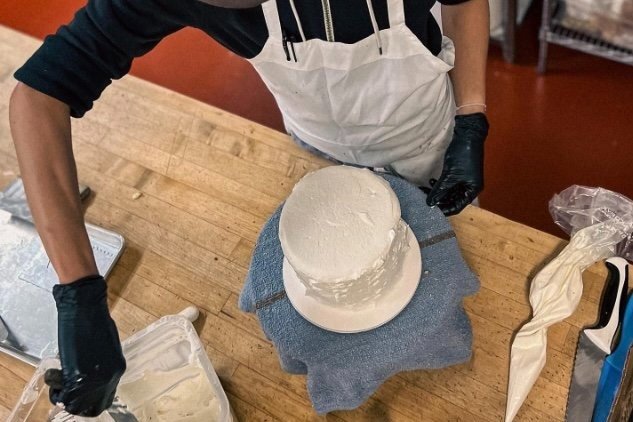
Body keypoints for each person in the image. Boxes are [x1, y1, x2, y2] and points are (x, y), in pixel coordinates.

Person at [8, 0, 489, 416]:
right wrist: (79, 293)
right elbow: (40, 94)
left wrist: (470, 119)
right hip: (317, 144)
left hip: (424, 138)